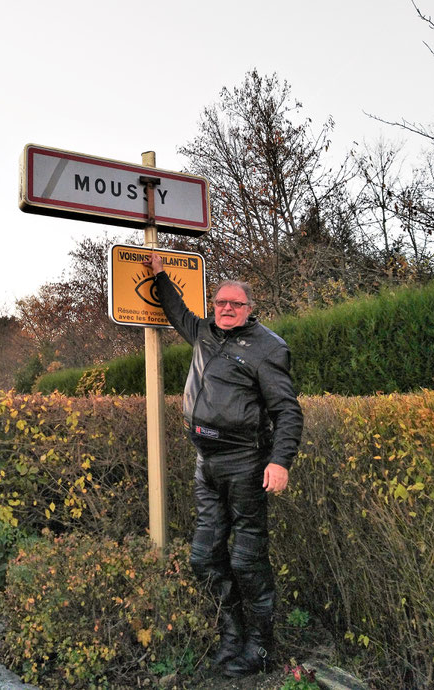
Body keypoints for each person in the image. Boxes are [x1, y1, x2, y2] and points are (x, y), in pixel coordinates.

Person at [144, 252, 303, 678]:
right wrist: (159, 277)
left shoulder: (269, 348)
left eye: (236, 303)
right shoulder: (204, 333)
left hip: (246, 465)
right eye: (220, 302)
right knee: (204, 557)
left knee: (248, 560)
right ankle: (233, 634)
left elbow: (287, 411)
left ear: (251, 309)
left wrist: (280, 461)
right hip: (206, 464)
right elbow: (177, 309)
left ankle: (261, 647)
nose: (226, 308)